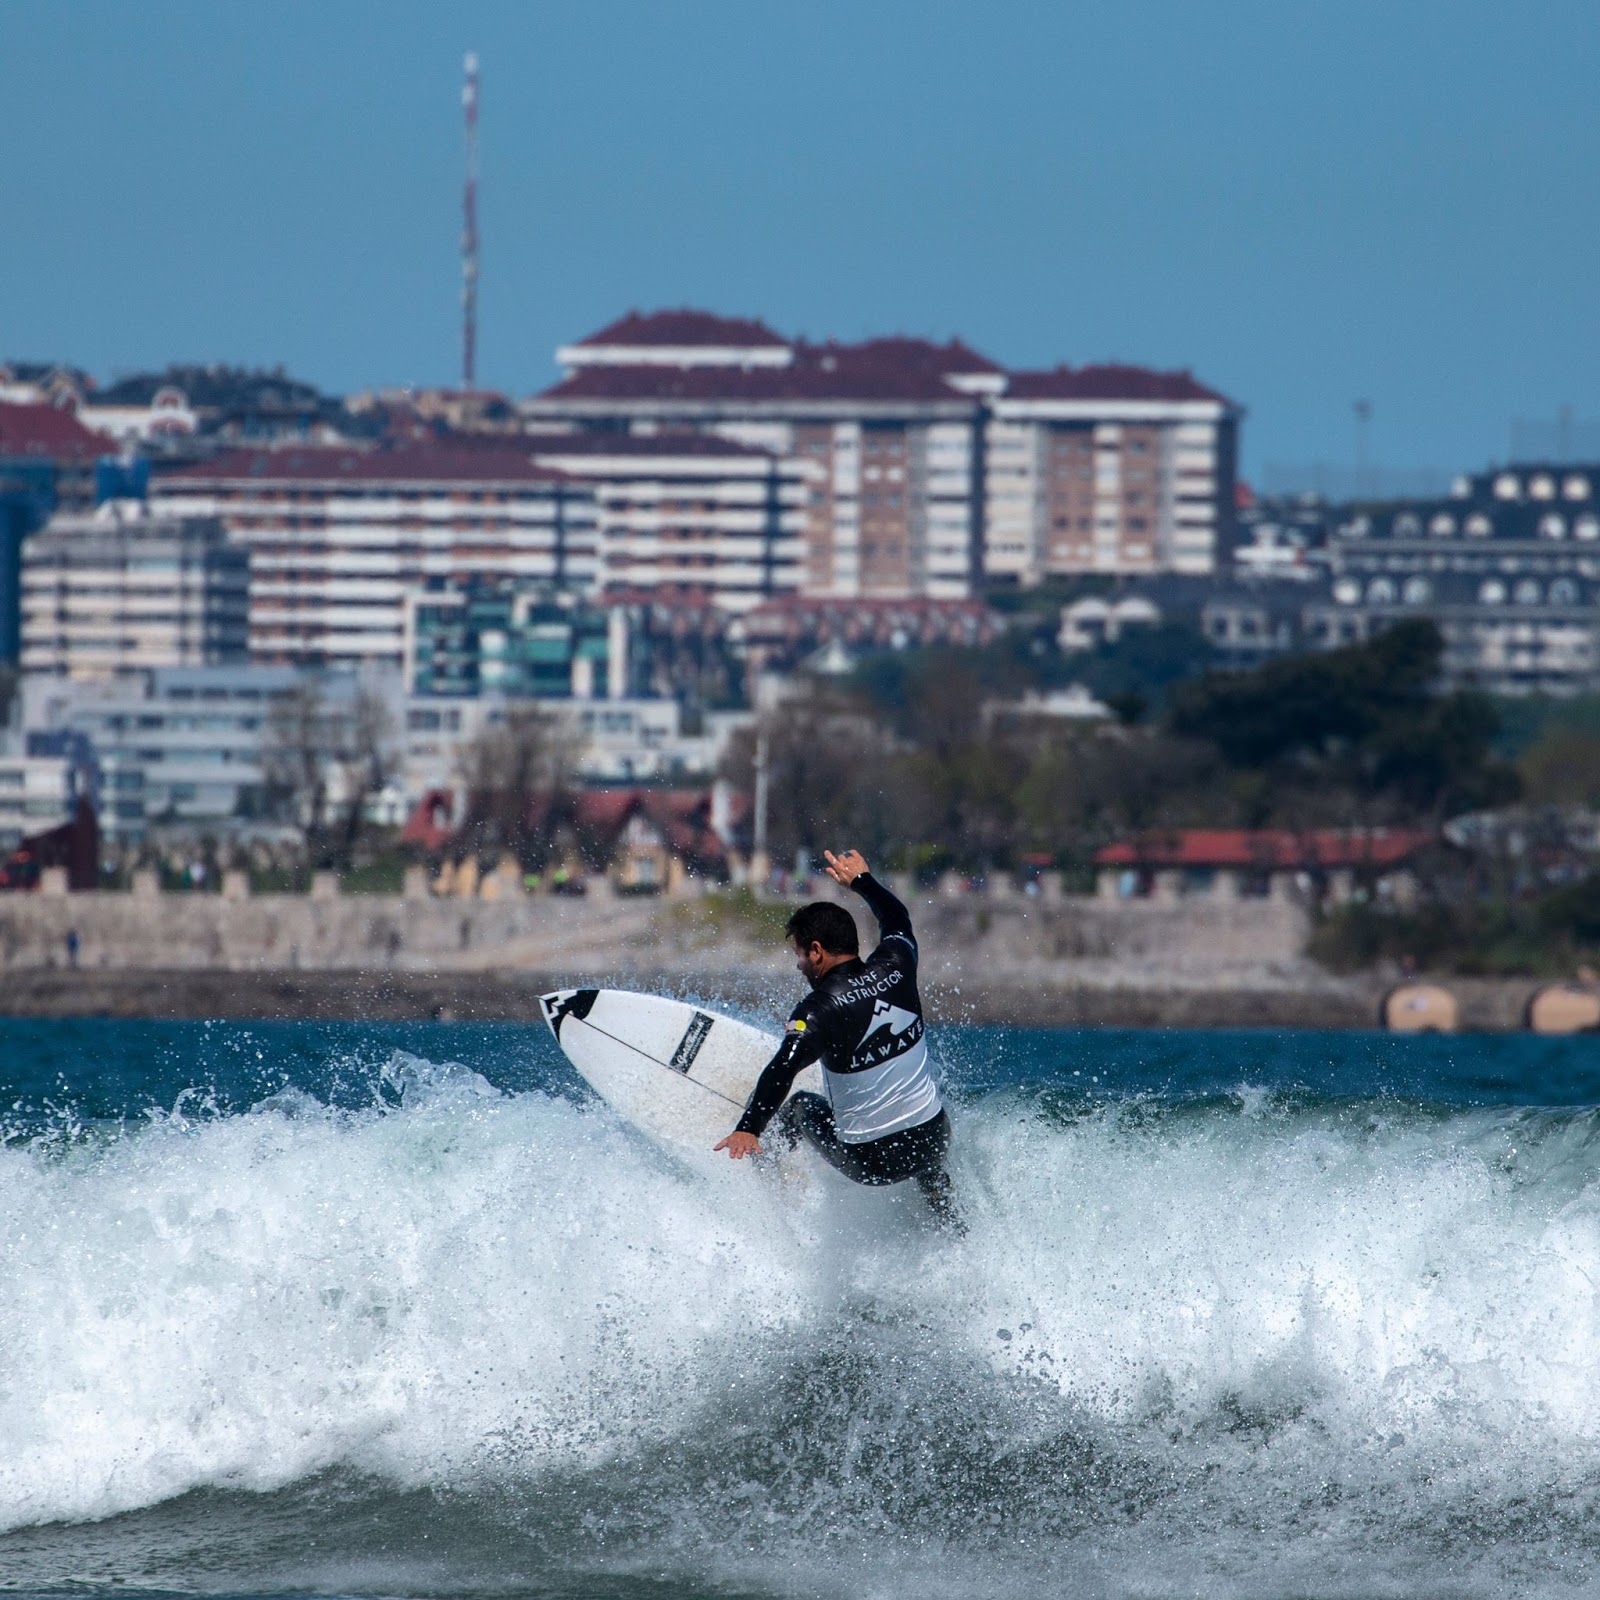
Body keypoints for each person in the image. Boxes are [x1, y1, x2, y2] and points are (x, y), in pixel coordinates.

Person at [714, 848, 959, 1228]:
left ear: (817, 951)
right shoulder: (897, 961)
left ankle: (769, 1181)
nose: (798, 966)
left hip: (871, 1161)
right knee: (921, 1135)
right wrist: (863, 882)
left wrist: (749, 1125)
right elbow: (896, 917)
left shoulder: (818, 1010)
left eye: (799, 955)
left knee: (798, 1107)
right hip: (935, 1138)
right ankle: (948, 1218)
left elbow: (783, 1067)